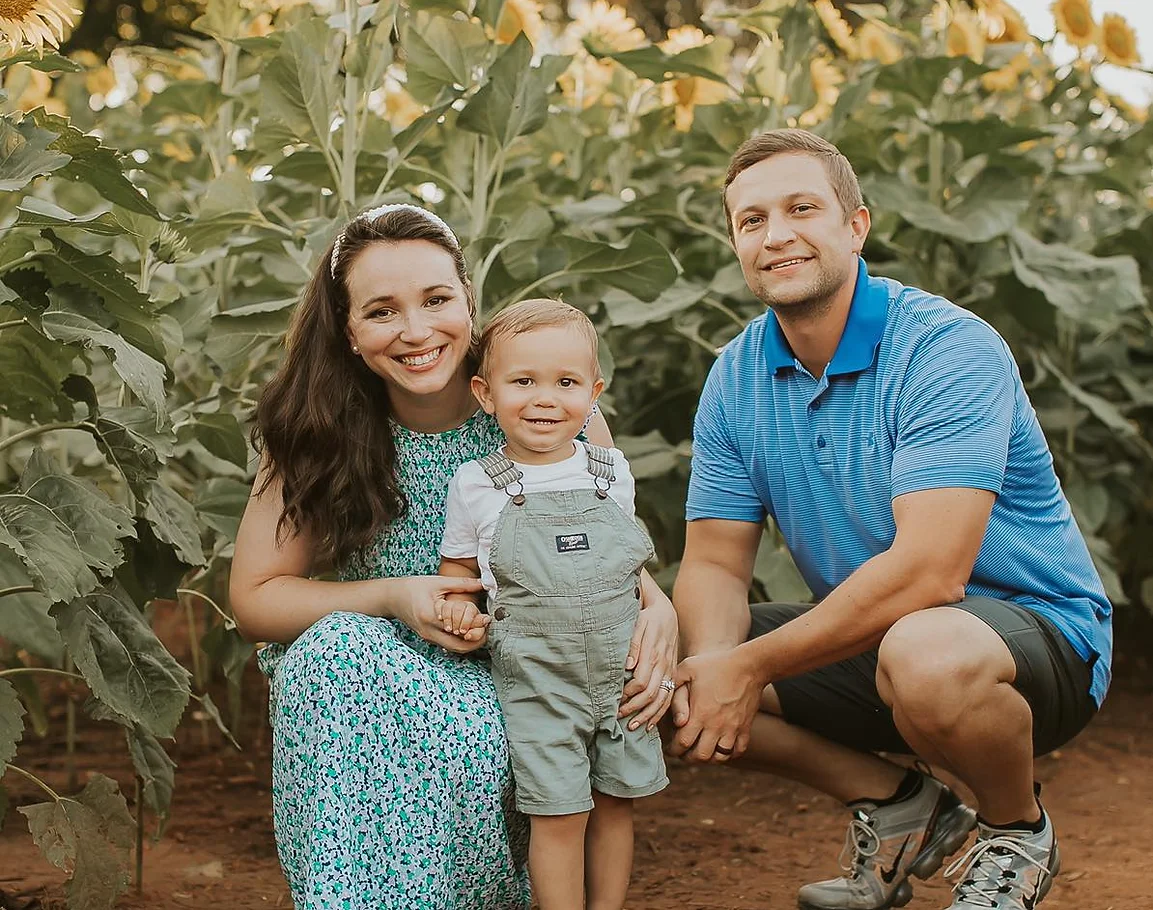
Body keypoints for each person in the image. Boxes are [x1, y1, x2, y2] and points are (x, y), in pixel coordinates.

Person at [669, 129, 1111, 910]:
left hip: (1033, 641)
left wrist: (751, 668)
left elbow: (930, 574)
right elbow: (711, 561)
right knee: (647, 661)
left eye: (800, 209)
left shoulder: (944, 348)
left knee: (925, 651)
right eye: (750, 220)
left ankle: (1016, 831)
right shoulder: (735, 374)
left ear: (855, 226)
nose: (775, 236)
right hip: (873, 642)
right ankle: (902, 802)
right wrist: (711, 671)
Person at [228, 204, 679, 910]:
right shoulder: (314, 430)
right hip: (380, 656)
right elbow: (255, 598)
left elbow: (600, 539)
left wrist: (659, 609)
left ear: (468, 299)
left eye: (436, 300)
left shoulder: (546, 401)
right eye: (381, 311)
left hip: (530, 655)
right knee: (338, 654)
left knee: (487, 730)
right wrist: (394, 597)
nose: (416, 331)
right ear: (347, 333)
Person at [437, 299, 670, 910]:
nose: (545, 399)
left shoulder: (611, 471)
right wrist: (461, 609)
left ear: (592, 393)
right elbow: (459, 573)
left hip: (620, 673)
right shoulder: (478, 484)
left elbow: (626, 564)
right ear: (486, 394)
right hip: (538, 681)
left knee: (616, 806)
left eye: (566, 383)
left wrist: (655, 617)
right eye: (523, 382)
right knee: (558, 813)